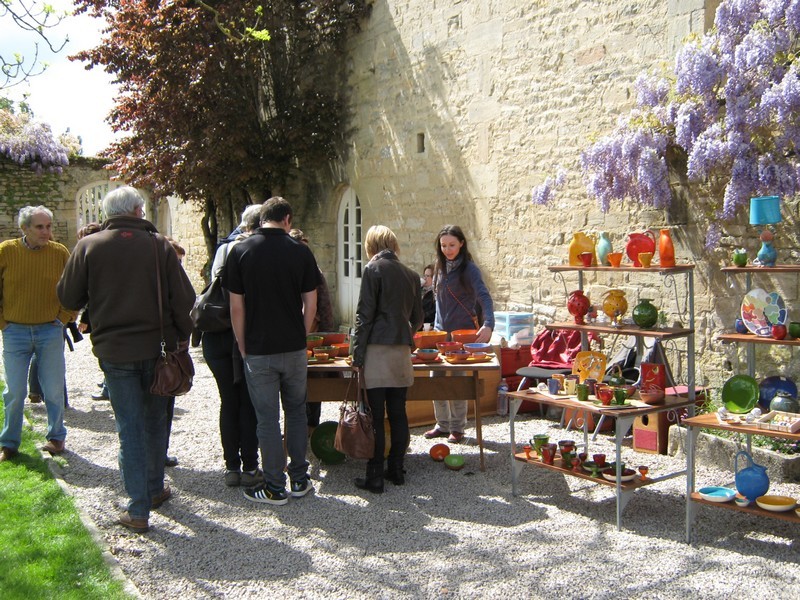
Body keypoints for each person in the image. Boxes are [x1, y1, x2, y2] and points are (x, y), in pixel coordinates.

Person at [57, 186, 195, 533]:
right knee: (153, 422)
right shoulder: (159, 246)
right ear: (138, 210)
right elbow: (185, 298)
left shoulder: (89, 246)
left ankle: (138, 508)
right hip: (157, 348)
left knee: (128, 429)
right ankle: (151, 488)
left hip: (114, 350)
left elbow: (68, 295)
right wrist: (184, 335)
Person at [223, 197, 319, 506]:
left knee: (267, 420)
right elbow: (311, 303)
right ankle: (300, 479)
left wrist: (241, 342)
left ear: (261, 219)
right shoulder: (301, 252)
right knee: (296, 412)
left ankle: (275, 486)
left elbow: (236, 307)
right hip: (292, 346)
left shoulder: (240, 251)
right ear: (287, 219)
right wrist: (301, 334)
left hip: (259, 348)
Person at [0, 206, 77, 462]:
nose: (47, 232)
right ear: (24, 229)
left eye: (48, 226)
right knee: (15, 391)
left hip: (49, 330)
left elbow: (72, 287)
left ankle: (56, 437)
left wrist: (64, 318)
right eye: (40, 227)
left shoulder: (59, 252)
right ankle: (9, 442)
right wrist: (2, 322)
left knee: (54, 389)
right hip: (15, 332)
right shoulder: (6, 251)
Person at [350, 226, 423, 493]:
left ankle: (375, 476)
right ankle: (396, 469)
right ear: (393, 244)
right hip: (401, 351)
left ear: (371, 245)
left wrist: (357, 355)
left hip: (376, 350)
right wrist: (406, 335)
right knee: (398, 413)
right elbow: (418, 318)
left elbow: (364, 316)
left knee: (375, 416)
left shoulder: (373, 270)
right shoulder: (411, 275)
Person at [202, 204, 262, 488]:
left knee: (228, 401)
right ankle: (250, 466)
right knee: (247, 403)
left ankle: (231, 467)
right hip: (245, 332)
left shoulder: (223, 248)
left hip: (217, 333)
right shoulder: (255, 250)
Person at [424, 225, 494, 444]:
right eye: (443, 245)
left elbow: (484, 296)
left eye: (452, 245)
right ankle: (442, 424)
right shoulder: (439, 267)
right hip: (439, 335)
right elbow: (436, 302)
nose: (447, 249)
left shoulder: (469, 269)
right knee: (436, 380)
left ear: (462, 244)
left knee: (458, 381)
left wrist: (489, 324)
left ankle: (458, 427)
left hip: (462, 336)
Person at [289, 227, 334, 436]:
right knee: (294, 384)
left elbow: (324, 306)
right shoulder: (286, 272)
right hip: (292, 335)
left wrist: (326, 337)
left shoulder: (316, 273)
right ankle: (296, 425)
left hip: (313, 336)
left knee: (315, 381)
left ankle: (311, 424)